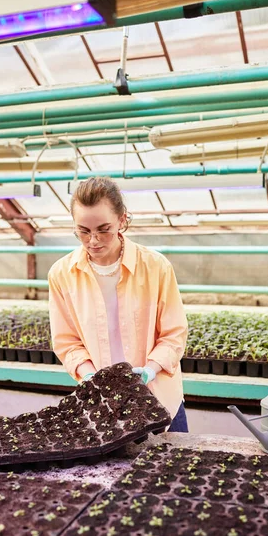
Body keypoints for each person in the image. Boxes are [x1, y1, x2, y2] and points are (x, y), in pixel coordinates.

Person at [48, 176, 189, 432]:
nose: (93, 240)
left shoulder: (155, 267)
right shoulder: (62, 274)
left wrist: (149, 371)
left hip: (160, 397)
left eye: (104, 229)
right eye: (83, 231)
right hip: (103, 404)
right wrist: (90, 376)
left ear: (122, 220)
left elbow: (174, 334)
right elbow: (67, 341)